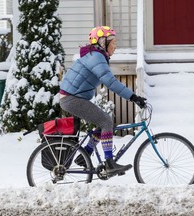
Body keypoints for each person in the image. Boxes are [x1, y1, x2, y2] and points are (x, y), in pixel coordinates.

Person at [59, 26, 146, 175]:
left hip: (72, 98)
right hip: (71, 99)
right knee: (106, 122)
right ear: (102, 42)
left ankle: (84, 154)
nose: (115, 46)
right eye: (113, 42)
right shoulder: (96, 57)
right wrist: (133, 97)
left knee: (104, 122)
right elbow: (111, 82)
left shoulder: (96, 56)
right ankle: (109, 163)